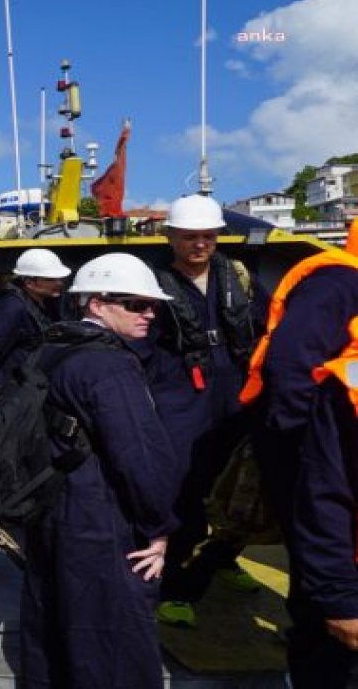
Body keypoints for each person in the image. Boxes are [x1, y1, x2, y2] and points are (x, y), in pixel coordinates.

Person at [20, 252, 181, 689]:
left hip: (48, 511)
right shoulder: (110, 365)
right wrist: (159, 527)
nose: (149, 314)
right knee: (113, 647)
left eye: (153, 305)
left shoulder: (48, 351)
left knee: (51, 636)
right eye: (135, 304)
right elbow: (140, 455)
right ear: (95, 303)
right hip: (99, 519)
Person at [241, 230, 358, 687]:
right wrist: (308, 441)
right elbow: (289, 362)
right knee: (323, 562)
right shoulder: (338, 282)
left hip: (332, 439)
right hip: (319, 443)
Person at [147, 194, 264, 627]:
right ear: (172, 237)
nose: (200, 244)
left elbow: (268, 325)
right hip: (181, 395)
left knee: (239, 483)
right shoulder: (154, 284)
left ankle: (223, 559)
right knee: (185, 489)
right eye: (190, 236)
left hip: (235, 391)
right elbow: (141, 344)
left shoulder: (237, 276)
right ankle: (175, 585)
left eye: (207, 236)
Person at [0, 248, 70, 399]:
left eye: (59, 278)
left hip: (35, 387)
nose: (59, 283)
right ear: (29, 282)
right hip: (17, 391)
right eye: (50, 279)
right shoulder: (11, 307)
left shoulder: (45, 304)